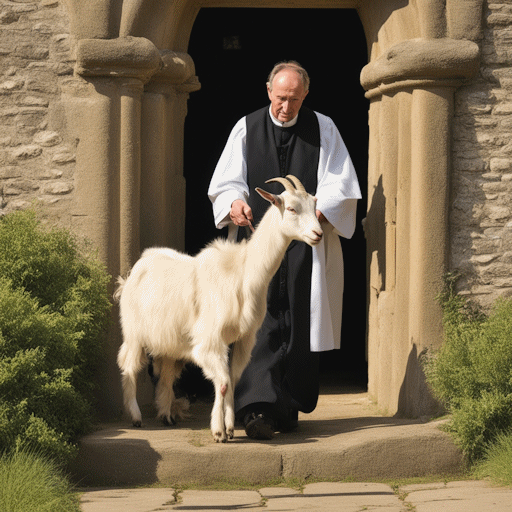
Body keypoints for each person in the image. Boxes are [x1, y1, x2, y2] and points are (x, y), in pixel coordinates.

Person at [208, 61, 361, 440]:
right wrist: (235, 204)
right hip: (256, 246)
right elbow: (226, 181)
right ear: (268, 91)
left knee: (297, 319)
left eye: (294, 99)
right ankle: (256, 409)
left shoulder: (323, 128)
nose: (285, 107)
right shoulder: (246, 128)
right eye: (280, 98)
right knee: (254, 321)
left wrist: (321, 211)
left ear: (305, 95)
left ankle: (286, 405)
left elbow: (340, 183)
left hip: (304, 247)